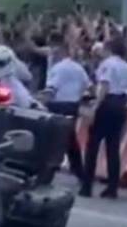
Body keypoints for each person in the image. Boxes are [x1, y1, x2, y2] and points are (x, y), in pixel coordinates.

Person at [82, 36, 127, 199]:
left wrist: (95, 106)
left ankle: (87, 185)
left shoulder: (107, 64)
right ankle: (112, 187)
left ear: (109, 48)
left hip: (107, 103)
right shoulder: (126, 66)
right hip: (120, 104)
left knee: (93, 146)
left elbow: (104, 85)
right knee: (113, 147)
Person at [43, 35, 91, 182]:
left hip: (57, 106)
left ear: (61, 51)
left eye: (54, 51)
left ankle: (48, 171)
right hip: (72, 106)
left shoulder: (58, 68)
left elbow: (52, 89)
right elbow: (88, 86)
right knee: (70, 139)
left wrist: (41, 101)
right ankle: (79, 172)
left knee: (53, 139)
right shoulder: (78, 68)